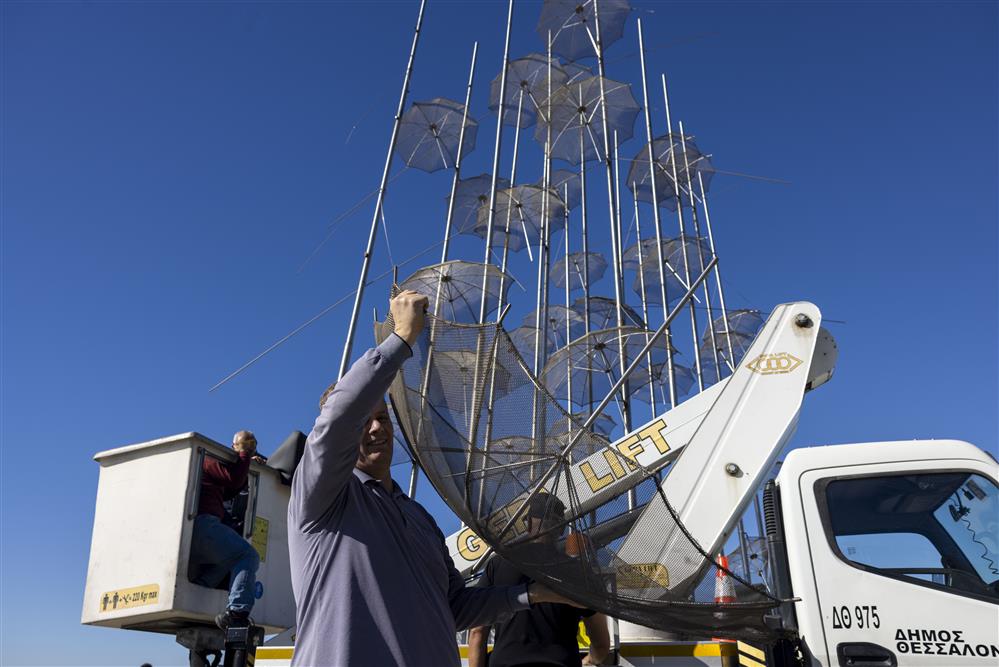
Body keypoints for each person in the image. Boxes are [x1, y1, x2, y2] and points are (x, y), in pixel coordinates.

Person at [288, 290, 577, 667]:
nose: (377, 428)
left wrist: (532, 595)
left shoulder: (420, 519)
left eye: (384, 418)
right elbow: (336, 422)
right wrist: (401, 339)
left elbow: (454, 606)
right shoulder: (323, 498)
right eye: (365, 420)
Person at [467, 494, 611, 667]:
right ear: (561, 529)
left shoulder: (498, 565)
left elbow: (477, 631)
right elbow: (601, 644)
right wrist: (589, 660)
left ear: (527, 525)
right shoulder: (580, 572)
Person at [189, 430, 261, 630]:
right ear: (234, 447)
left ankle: (200, 589)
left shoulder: (208, 465)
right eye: (246, 443)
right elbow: (233, 480)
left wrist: (246, 465)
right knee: (248, 555)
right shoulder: (209, 459)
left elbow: (231, 489)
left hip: (198, 528)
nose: (248, 447)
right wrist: (244, 456)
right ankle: (237, 611)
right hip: (204, 525)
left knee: (229, 559)